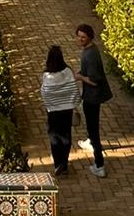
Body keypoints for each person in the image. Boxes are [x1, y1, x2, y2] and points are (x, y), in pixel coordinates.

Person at [74, 22, 113, 177]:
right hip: (91, 96)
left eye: (83, 37)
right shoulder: (91, 49)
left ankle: (99, 164)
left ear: (89, 37)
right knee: (92, 125)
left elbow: (94, 80)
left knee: (93, 128)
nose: (80, 39)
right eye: (79, 37)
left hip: (92, 97)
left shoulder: (89, 55)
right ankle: (90, 141)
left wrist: (80, 77)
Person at [39, 45, 79, 175]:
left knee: (54, 136)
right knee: (66, 135)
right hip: (67, 110)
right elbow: (74, 89)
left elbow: (45, 92)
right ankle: (64, 164)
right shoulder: (67, 71)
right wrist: (73, 103)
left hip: (53, 111)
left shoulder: (47, 75)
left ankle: (57, 164)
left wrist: (49, 105)